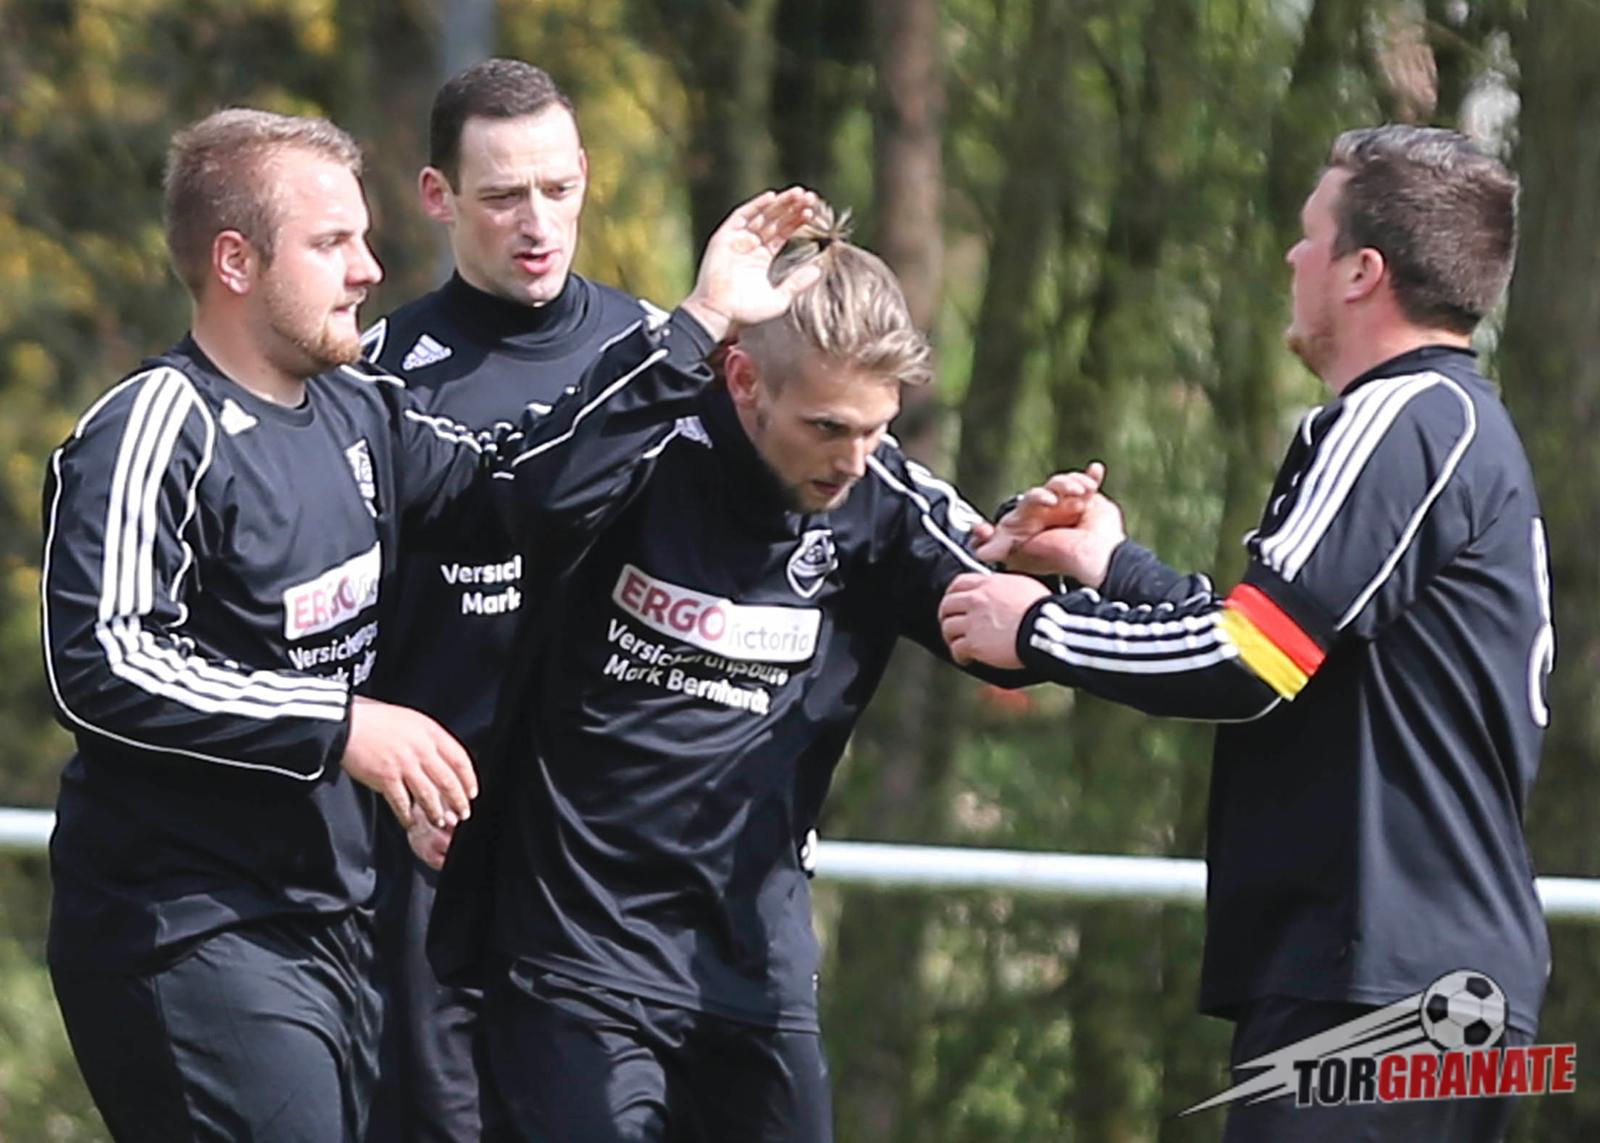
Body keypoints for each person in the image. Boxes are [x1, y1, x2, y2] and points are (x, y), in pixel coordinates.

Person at [40, 101, 819, 1142]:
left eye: (362, 239)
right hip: (186, 927)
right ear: (234, 262)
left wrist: (697, 325)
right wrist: (344, 724)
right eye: (331, 244)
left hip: (333, 923)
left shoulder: (361, 409)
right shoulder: (153, 427)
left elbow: (523, 491)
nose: (368, 269)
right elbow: (106, 662)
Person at [939, 125, 1549, 1142]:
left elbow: (1249, 663)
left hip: (1379, 989)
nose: (1291, 256)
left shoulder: (1401, 415)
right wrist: (1110, 567)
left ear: (1361, 272)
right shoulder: (1452, 424)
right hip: (1422, 990)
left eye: (1310, 234)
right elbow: (1289, 649)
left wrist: (1039, 629)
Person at [421, 204, 1058, 1142]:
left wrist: (1059, 566)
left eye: (877, 430)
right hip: (574, 957)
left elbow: (996, 622)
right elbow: (525, 501)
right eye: (827, 426)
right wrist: (693, 325)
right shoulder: (642, 443)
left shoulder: (879, 496)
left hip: (755, 969)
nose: (853, 460)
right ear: (744, 379)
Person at [360, 58, 653, 1143]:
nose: (537, 224)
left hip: (607, 854)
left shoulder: (659, 357)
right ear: (437, 197)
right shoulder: (374, 375)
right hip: (433, 846)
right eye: (502, 196)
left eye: (558, 189)